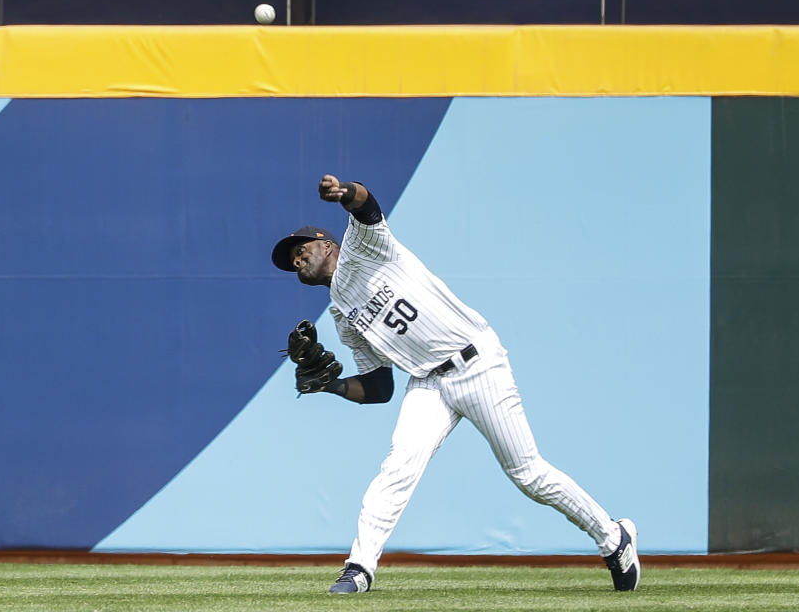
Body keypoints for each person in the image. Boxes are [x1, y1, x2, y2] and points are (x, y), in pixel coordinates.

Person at [270, 174, 640, 594]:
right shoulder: (342, 315)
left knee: (528, 474)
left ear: (327, 244)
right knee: (397, 467)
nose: (297, 259)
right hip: (428, 383)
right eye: (292, 260)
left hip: (476, 361)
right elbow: (379, 388)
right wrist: (331, 387)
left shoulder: (363, 249)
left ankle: (613, 538)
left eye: (302, 249)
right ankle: (358, 569)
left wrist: (345, 192)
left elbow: (366, 207)